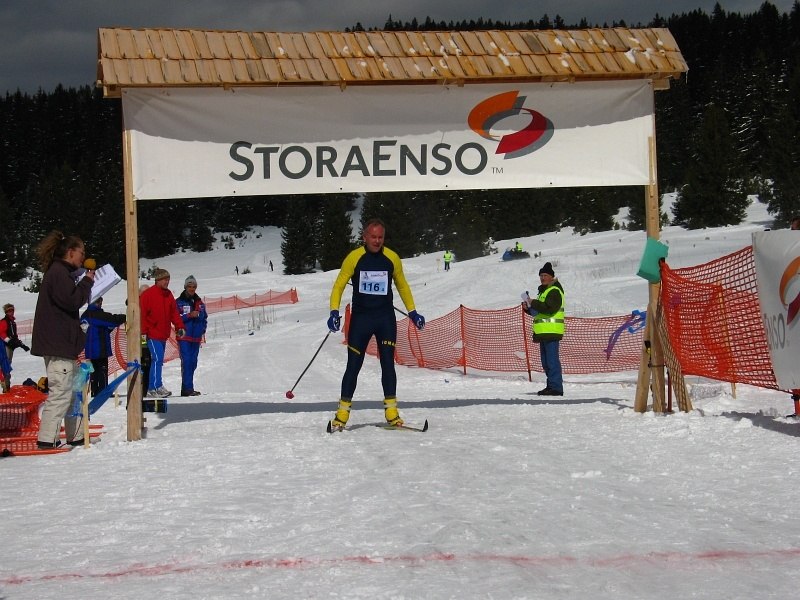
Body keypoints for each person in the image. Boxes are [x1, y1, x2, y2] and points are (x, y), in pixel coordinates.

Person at [327, 218, 425, 428]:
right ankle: (342, 413)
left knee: (388, 364)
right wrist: (334, 311)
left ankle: (392, 411)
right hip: (361, 320)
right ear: (364, 237)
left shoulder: (392, 258)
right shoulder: (354, 258)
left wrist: (413, 312)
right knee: (353, 366)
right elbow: (338, 285)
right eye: (373, 237)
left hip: (385, 319)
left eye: (380, 237)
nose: (377, 241)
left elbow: (402, 285)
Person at [31, 231, 95, 448]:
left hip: (63, 345)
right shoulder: (58, 273)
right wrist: (87, 282)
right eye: (82, 253)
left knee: (72, 392)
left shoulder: (61, 273)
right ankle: (47, 439)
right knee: (60, 393)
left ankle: (75, 434)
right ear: (70, 252)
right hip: (57, 345)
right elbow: (72, 300)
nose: (83, 257)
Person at [140, 268, 185, 398]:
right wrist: (143, 333)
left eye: (168, 279)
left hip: (163, 333)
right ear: (158, 280)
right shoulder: (148, 295)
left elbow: (174, 313)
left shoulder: (168, 294)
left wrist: (179, 326)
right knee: (157, 359)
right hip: (151, 334)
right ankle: (153, 387)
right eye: (165, 279)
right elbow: (142, 315)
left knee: (158, 360)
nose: (167, 282)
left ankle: (157, 386)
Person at [522, 261, 565, 396]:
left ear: (552, 277)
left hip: (551, 331)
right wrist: (528, 309)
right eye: (541, 275)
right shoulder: (544, 291)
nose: (542, 278)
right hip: (543, 332)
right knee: (546, 362)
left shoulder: (554, 291)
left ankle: (556, 388)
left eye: (545, 275)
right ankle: (551, 385)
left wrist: (533, 302)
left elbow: (549, 308)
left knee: (551, 361)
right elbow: (539, 312)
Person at [81, 296, 126, 398]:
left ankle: (94, 391)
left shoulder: (85, 315)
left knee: (94, 370)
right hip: (100, 348)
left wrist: (108, 329)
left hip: (89, 349)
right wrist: (125, 317)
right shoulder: (98, 314)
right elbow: (112, 320)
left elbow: (94, 328)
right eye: (100, 302)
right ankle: (103, 391)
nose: (101, 304)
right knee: (102, 370)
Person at [176, 275, 208, 396]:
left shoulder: (200, 303)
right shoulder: (179, 302)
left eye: (194, 286)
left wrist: (203, 329)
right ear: (185, 287)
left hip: (196, 337)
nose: (192, 289)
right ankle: (188, 388)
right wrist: (189, 315)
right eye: (189, 286)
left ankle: (186, 387)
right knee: (187, 361)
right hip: (184, 336)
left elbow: (204, 318)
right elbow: (175, 318)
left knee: (193, 362)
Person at [1, 303, 29, 392]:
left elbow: (14, 336)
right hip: (5, 347)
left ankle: (7, 386)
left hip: (11, 347)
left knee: (8, 365)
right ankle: (6, 386)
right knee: (5, 365)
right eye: (9, 311)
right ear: (6, 312)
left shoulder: (12, 322)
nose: (11, 312)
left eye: (12, 310)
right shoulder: (4, 321)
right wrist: (8, 341)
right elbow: (1, 333)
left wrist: (21, 345)